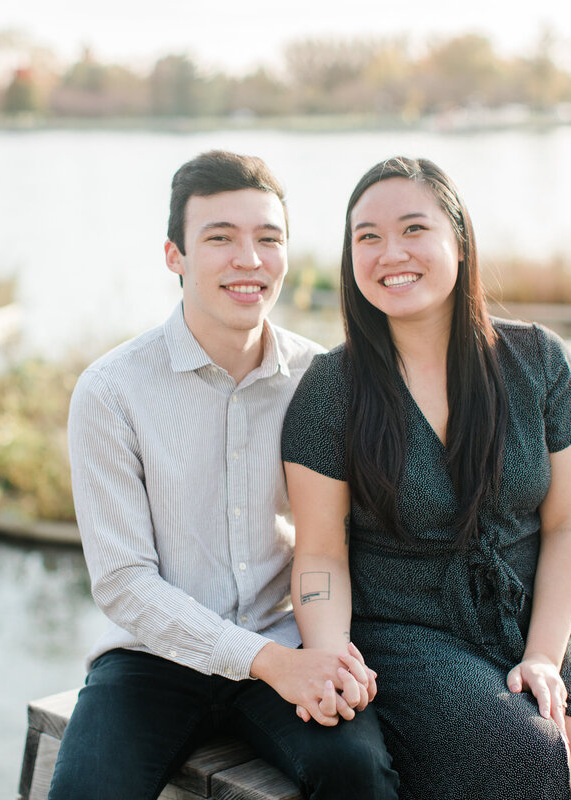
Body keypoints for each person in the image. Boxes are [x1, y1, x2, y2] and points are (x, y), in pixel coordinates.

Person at [282, 156, 571, 799]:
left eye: (412, 229)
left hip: (534, 618)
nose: (389, 252)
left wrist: (543, 652)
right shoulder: (332, 389)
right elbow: (319, 551)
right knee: (528, 756)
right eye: (366, 236)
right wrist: (329, 655)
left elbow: (569, 523)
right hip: (407, 633)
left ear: (459, 240)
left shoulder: (538, 360)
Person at [47, 150, 399, 800]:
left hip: (285, 635)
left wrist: (329, 652)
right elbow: (124, 584)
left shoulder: (319, 379)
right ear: (174, 255)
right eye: (220, 238)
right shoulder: (112, 391)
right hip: (153, 661)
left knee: (361, 773)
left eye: (269, 239)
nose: (250, 260)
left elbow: (341, 539)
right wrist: (271, 664)